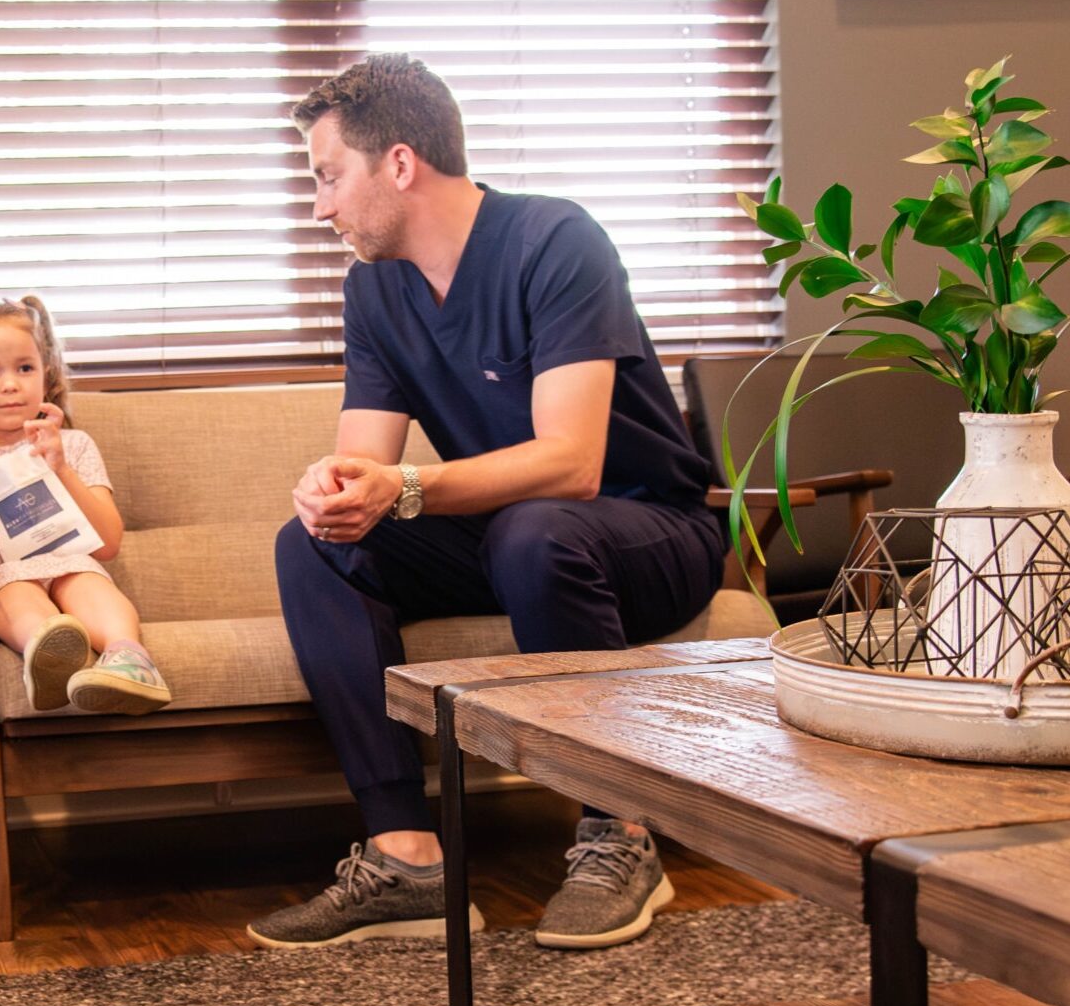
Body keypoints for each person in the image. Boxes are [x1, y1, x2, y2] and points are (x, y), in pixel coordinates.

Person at [251, 56, 722, 953]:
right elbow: (367, 463)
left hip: (648, 533)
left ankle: (618, 831)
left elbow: (573, 465)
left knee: (536, 531)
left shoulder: (555, 240)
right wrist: (335, 489)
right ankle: (407, 859)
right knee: (311, 543)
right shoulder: (374, 287)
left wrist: (409, 489)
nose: (319, 207)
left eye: (326, 176)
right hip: (515, 538)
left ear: (397, 163)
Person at [0, 296, 171, 714]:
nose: (10, 384)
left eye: (25, 368)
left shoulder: (72, 445)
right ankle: (51, 654)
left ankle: (130, 660)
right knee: (16, 588)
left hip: (69, 566)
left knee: (87, 579)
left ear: (46, 374)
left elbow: (108, 543)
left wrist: (60, 469)